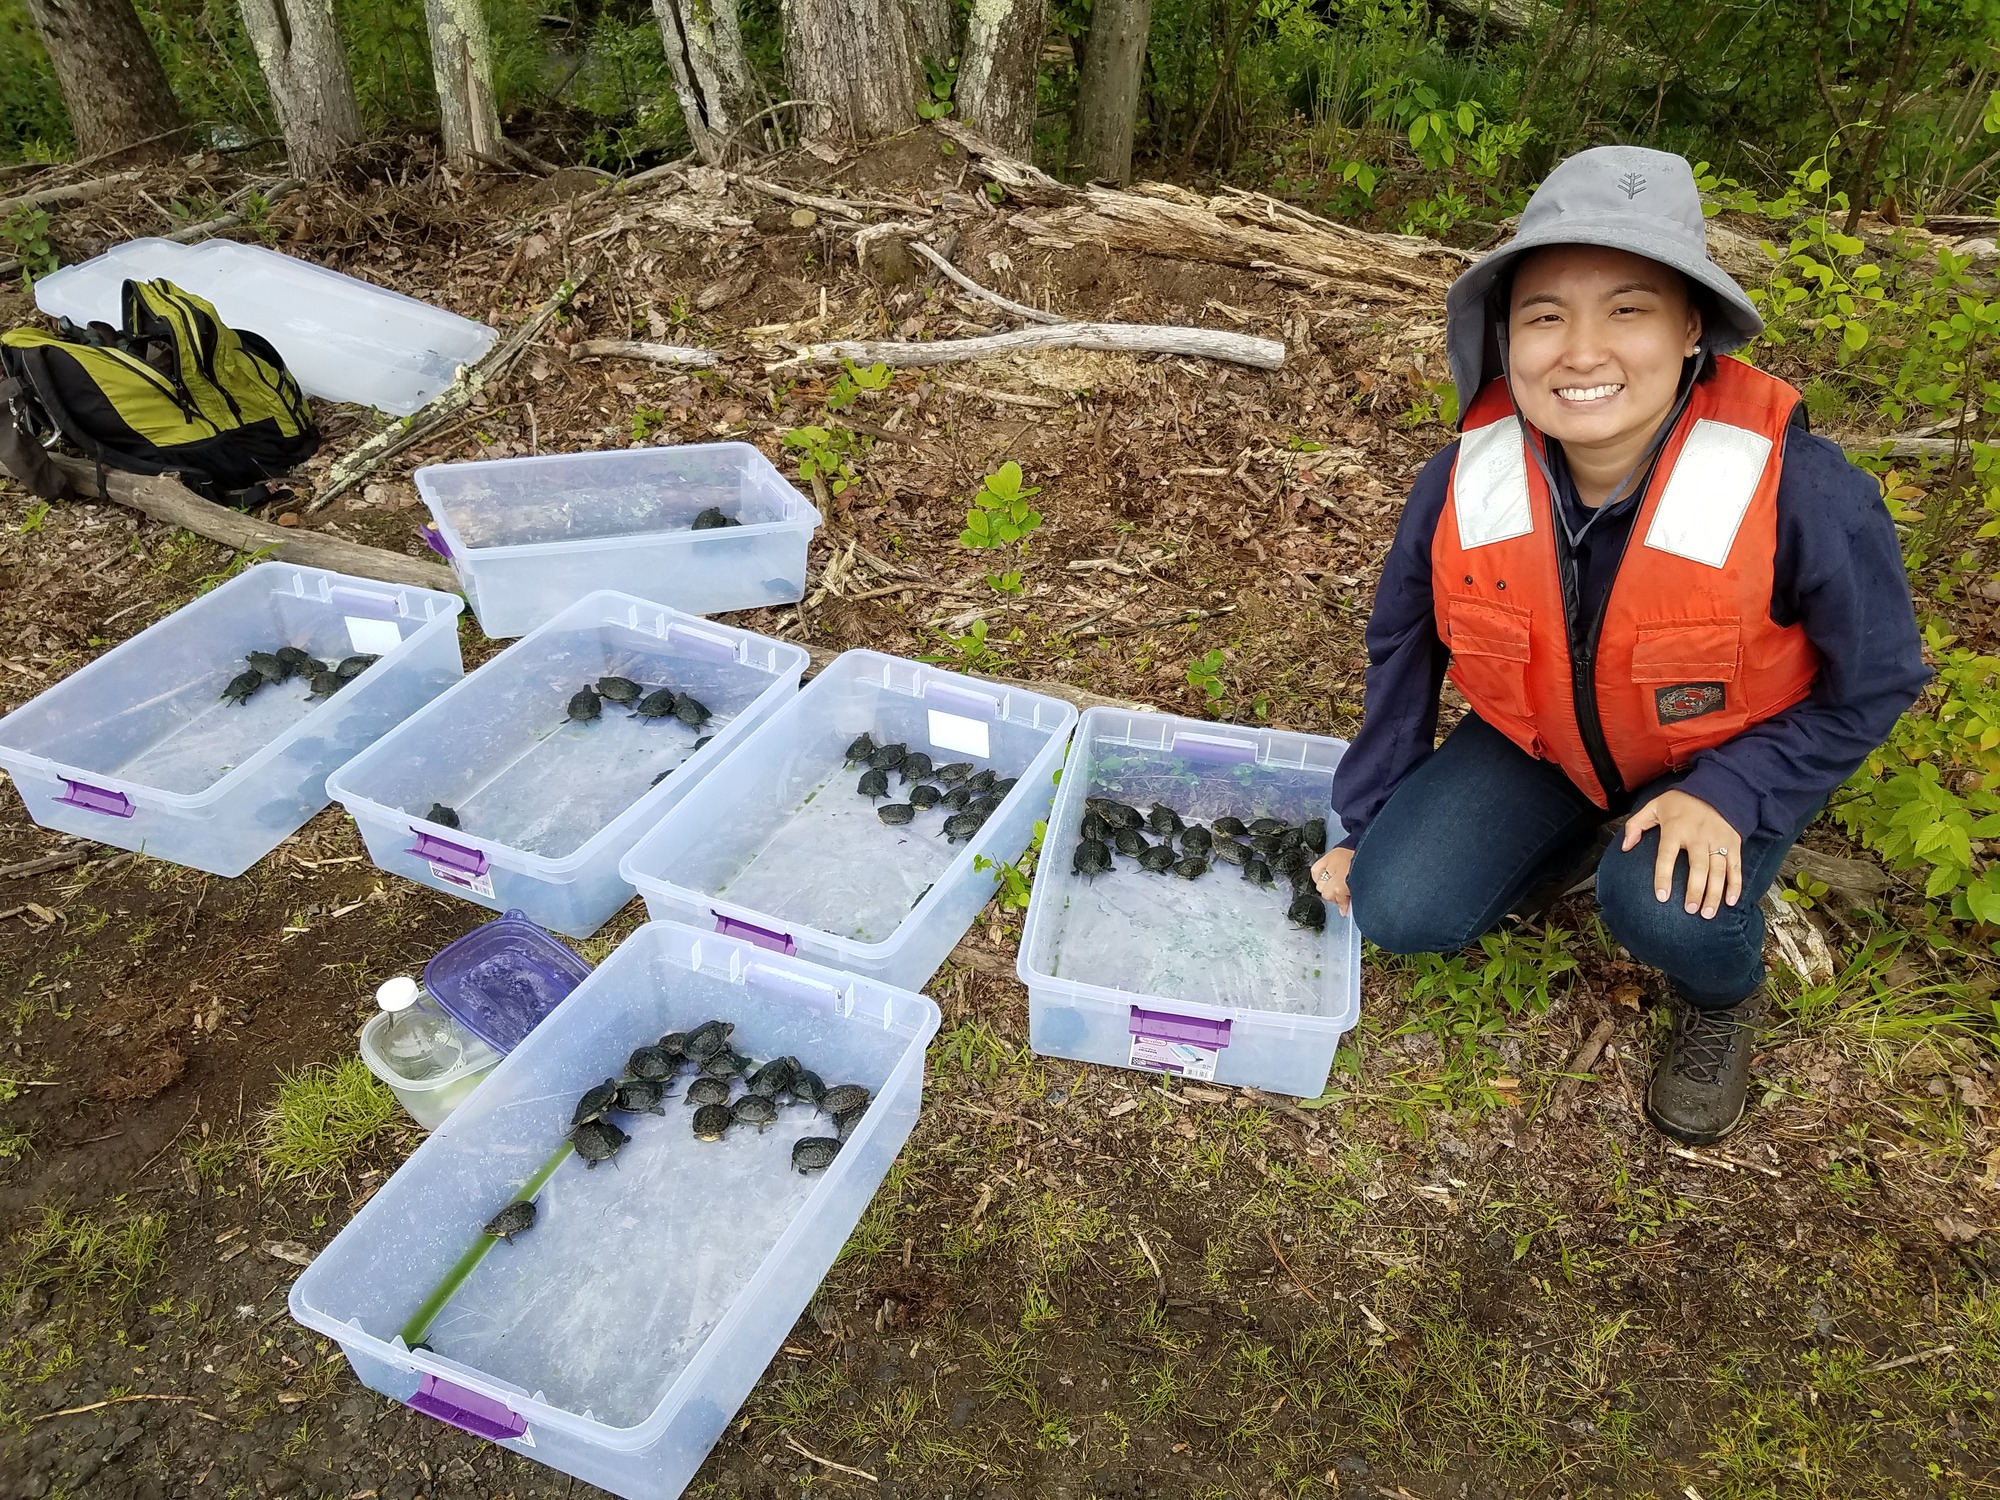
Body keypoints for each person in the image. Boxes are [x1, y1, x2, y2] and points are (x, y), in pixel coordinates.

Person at [1308, 145, 1928, 1145]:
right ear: (1505, 338)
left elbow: (1876, 681)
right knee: (1398, 905)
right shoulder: (1463, 479)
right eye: (1544, 315)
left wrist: (1734, 791)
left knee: (1659, 906)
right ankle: (1565, 832)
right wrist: (1363, 821)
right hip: (1544, 741)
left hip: (1721, 753)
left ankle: (1721, 996)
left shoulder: (1804, 492)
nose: (1581, 352)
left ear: (1690, 328)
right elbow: (1403, 650)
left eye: (1628, 309)